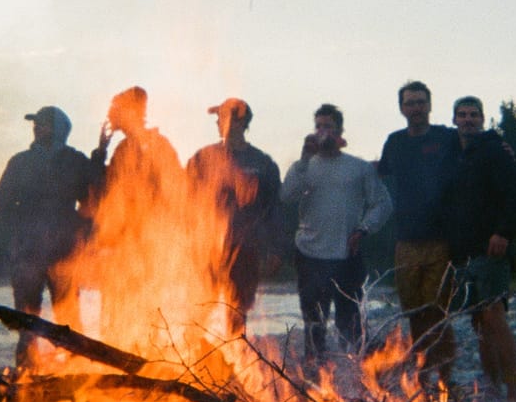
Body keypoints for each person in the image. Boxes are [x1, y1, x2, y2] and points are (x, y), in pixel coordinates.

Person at [281, 104, 392, 362]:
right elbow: (286, 196)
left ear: (340, 131)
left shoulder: (359, 168)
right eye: (318, 126)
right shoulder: (304, 166)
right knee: (314, 324)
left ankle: (364, 375)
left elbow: (383, 203)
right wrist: (303, 159)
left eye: (328, 126)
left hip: (347, 254)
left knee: (350, 323)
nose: (322, 132)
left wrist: (364, 229)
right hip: (309, 255)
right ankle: (314, 376)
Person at [442, 95, 516, 402]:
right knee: (478, 321)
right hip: (462, 251)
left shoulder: (495, 151)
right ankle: (491, 386)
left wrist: (504, 232)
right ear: (454, 120)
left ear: (482, 118)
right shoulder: (454, 152)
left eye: (474, 115)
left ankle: (514, 394)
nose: (468, 120)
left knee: (495, 316)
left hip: (491, 249)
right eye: (462, 115)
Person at [0, 105, 99, 362]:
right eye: (36, 123)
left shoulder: (76, 161)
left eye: (42, 123)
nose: (36, 127)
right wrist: (20, 228)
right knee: (27, 319)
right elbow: (3, 197)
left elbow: (92, 200)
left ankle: (76, 371)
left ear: (59, 130)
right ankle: (27, 372)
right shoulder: (21, 162)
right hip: (27, 251)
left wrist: (81, 233)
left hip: (64, 252)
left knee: (70, 318)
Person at [377, 80, 460, 384]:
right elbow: (379, 171)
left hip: (440, 240)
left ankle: (447, 375)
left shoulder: (446, 138)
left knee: (437, 309)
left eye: (420, 102)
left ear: (430, 105)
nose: (415, 108)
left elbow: (475, 148)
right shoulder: (395, 142)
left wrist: (499, 146)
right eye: (410, 103)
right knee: (413, 311)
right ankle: (423, 373)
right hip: (406, 241)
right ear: (401, 108)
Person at [185, 98, 283, 336]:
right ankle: (194, 361)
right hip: (207, 247)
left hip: (246, 249)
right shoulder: (203, 158)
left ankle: (235, 356)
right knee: (200, 307)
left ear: (240, 122)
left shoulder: (262, 163)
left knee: (237, 312)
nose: (218, 123)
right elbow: (185, 199)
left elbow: (274, 210)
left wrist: (276, 249)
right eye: (218, 118)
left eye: (222, 117)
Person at [92, 85, 183, 203]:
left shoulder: (156, 145)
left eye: (116, 109)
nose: (110, 114)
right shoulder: (123, 148)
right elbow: (104, 187)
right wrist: (101, 151)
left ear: (130, 113)